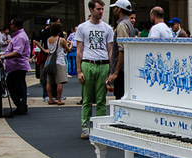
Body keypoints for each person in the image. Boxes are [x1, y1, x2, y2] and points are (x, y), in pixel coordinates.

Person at [75, 0, 114, 139]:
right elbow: (79, 50)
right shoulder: (82, 27)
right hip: (88, 64)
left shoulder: (107, 28)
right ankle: (85, 128)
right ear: (91, 9)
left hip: (103, 64)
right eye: (98, 9)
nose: (101, 12)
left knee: (101, 99)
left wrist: (111, 71)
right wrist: (79, 71)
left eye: (102, 9)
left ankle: (100, 128)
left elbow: (110, 51)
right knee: (87, 99)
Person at [0, 18, 31, 115]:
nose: (10, 25)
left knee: (16, 86)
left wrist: (2, 56)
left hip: (18, 66)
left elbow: (17, 52)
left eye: (11, 24)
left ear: (15, 25)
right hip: (14, 66)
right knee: (14, 85)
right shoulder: (17, 36)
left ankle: (21, 104)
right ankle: (21, 104)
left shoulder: (20, 37)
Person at [106, 0, 136, 100]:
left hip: (122, 71)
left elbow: (122, 50)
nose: (113, 10)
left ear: (119, 9)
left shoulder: (122, 25)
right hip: (126, 69)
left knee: (120, 97)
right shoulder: (129, 24)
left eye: (115, 8)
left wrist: (115, 72)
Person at [33, 16, 61, 102]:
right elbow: (36, 40)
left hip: (55, 55)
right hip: (49, 56)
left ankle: (54, 95)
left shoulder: (58, 32)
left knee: (55, 76)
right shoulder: (46, 32)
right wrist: (44, 49)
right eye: (57, 22)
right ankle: (47, 95)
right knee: (48, 76)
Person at [46, 23, 72, 105]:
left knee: (49, 82)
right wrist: (70, 45)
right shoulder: (61, 40)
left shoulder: (49, 39)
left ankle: (50, 99)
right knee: (59, 82)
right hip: (59, 62)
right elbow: (68, 50)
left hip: (50, 62)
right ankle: (59, 99)